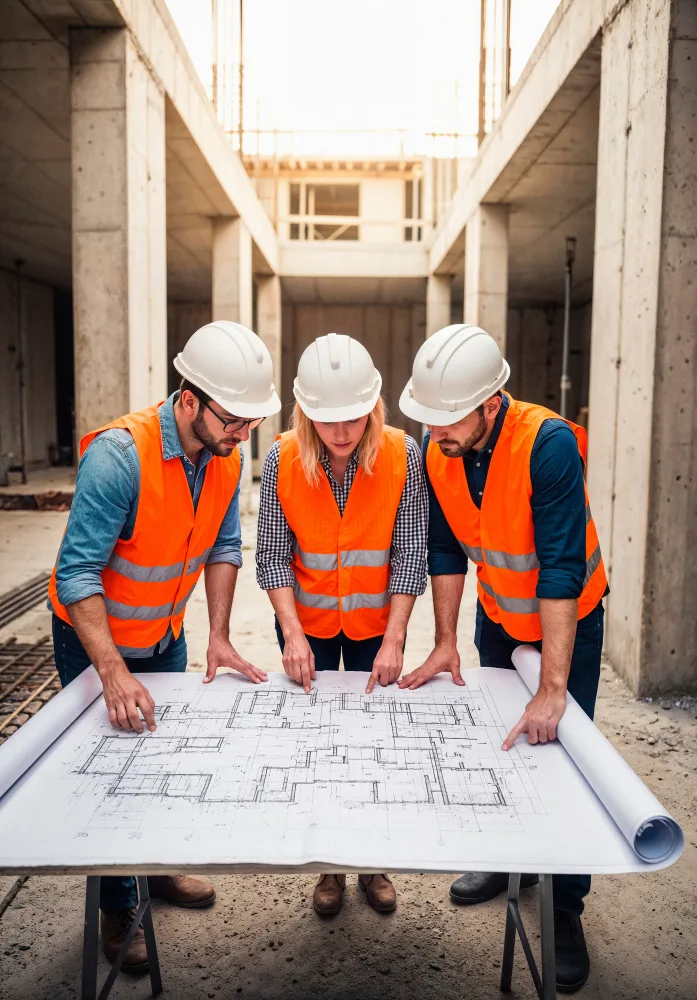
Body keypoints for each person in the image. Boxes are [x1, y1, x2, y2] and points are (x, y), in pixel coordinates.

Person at [48, 321, 281, 972]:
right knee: (114, 779)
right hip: (95, 642)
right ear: (189, 401)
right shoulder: (119, 456)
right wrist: (114, 673)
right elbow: (75, 575)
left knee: (161, 766)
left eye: (250, 422)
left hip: (165, 635)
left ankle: (153, 873)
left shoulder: (227, 456)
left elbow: (223, 545)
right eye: (234, 420)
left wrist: (220, 635)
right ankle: (119, 908)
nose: (243, 434)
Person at [398, 324, 608, 994]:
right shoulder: (440, 448)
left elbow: (560, 569)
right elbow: (444, 551)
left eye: (447, 418)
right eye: (426, 418)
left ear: (491, 404)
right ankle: (502, 863)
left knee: (562, 759)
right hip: (496, 616)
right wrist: (443, 640)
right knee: (495, 745)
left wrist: (551, 685)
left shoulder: (545, 445)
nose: (435, 433)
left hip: (564, 621)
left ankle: (564, 909)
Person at [256, 333, 428, 917]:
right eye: (328, 420)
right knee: (316, 744)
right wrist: (294, 632)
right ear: (304, 412)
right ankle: (330, 865)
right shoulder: (280, 456)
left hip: (377, 626)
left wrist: (396, 636)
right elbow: (272, 555)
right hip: (305, 624)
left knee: (372, 744)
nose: (342, 433)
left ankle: (372, 861)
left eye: (354, 418)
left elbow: (410, 553)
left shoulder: (405, 453)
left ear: (373, 406)